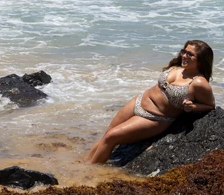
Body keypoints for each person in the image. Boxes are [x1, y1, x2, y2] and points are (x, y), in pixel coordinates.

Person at [84, 41, 216, 165]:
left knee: (111, 137)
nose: (184, 56)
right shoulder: (178, 67)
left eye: (190, 54)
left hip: (153, 117)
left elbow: (210, 105)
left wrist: (193, 107)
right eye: (184, 51)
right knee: (109, 132)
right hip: (139, 100)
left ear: (201, 59)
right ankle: (83, 162)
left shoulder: (199, 83)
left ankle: (89, 169)